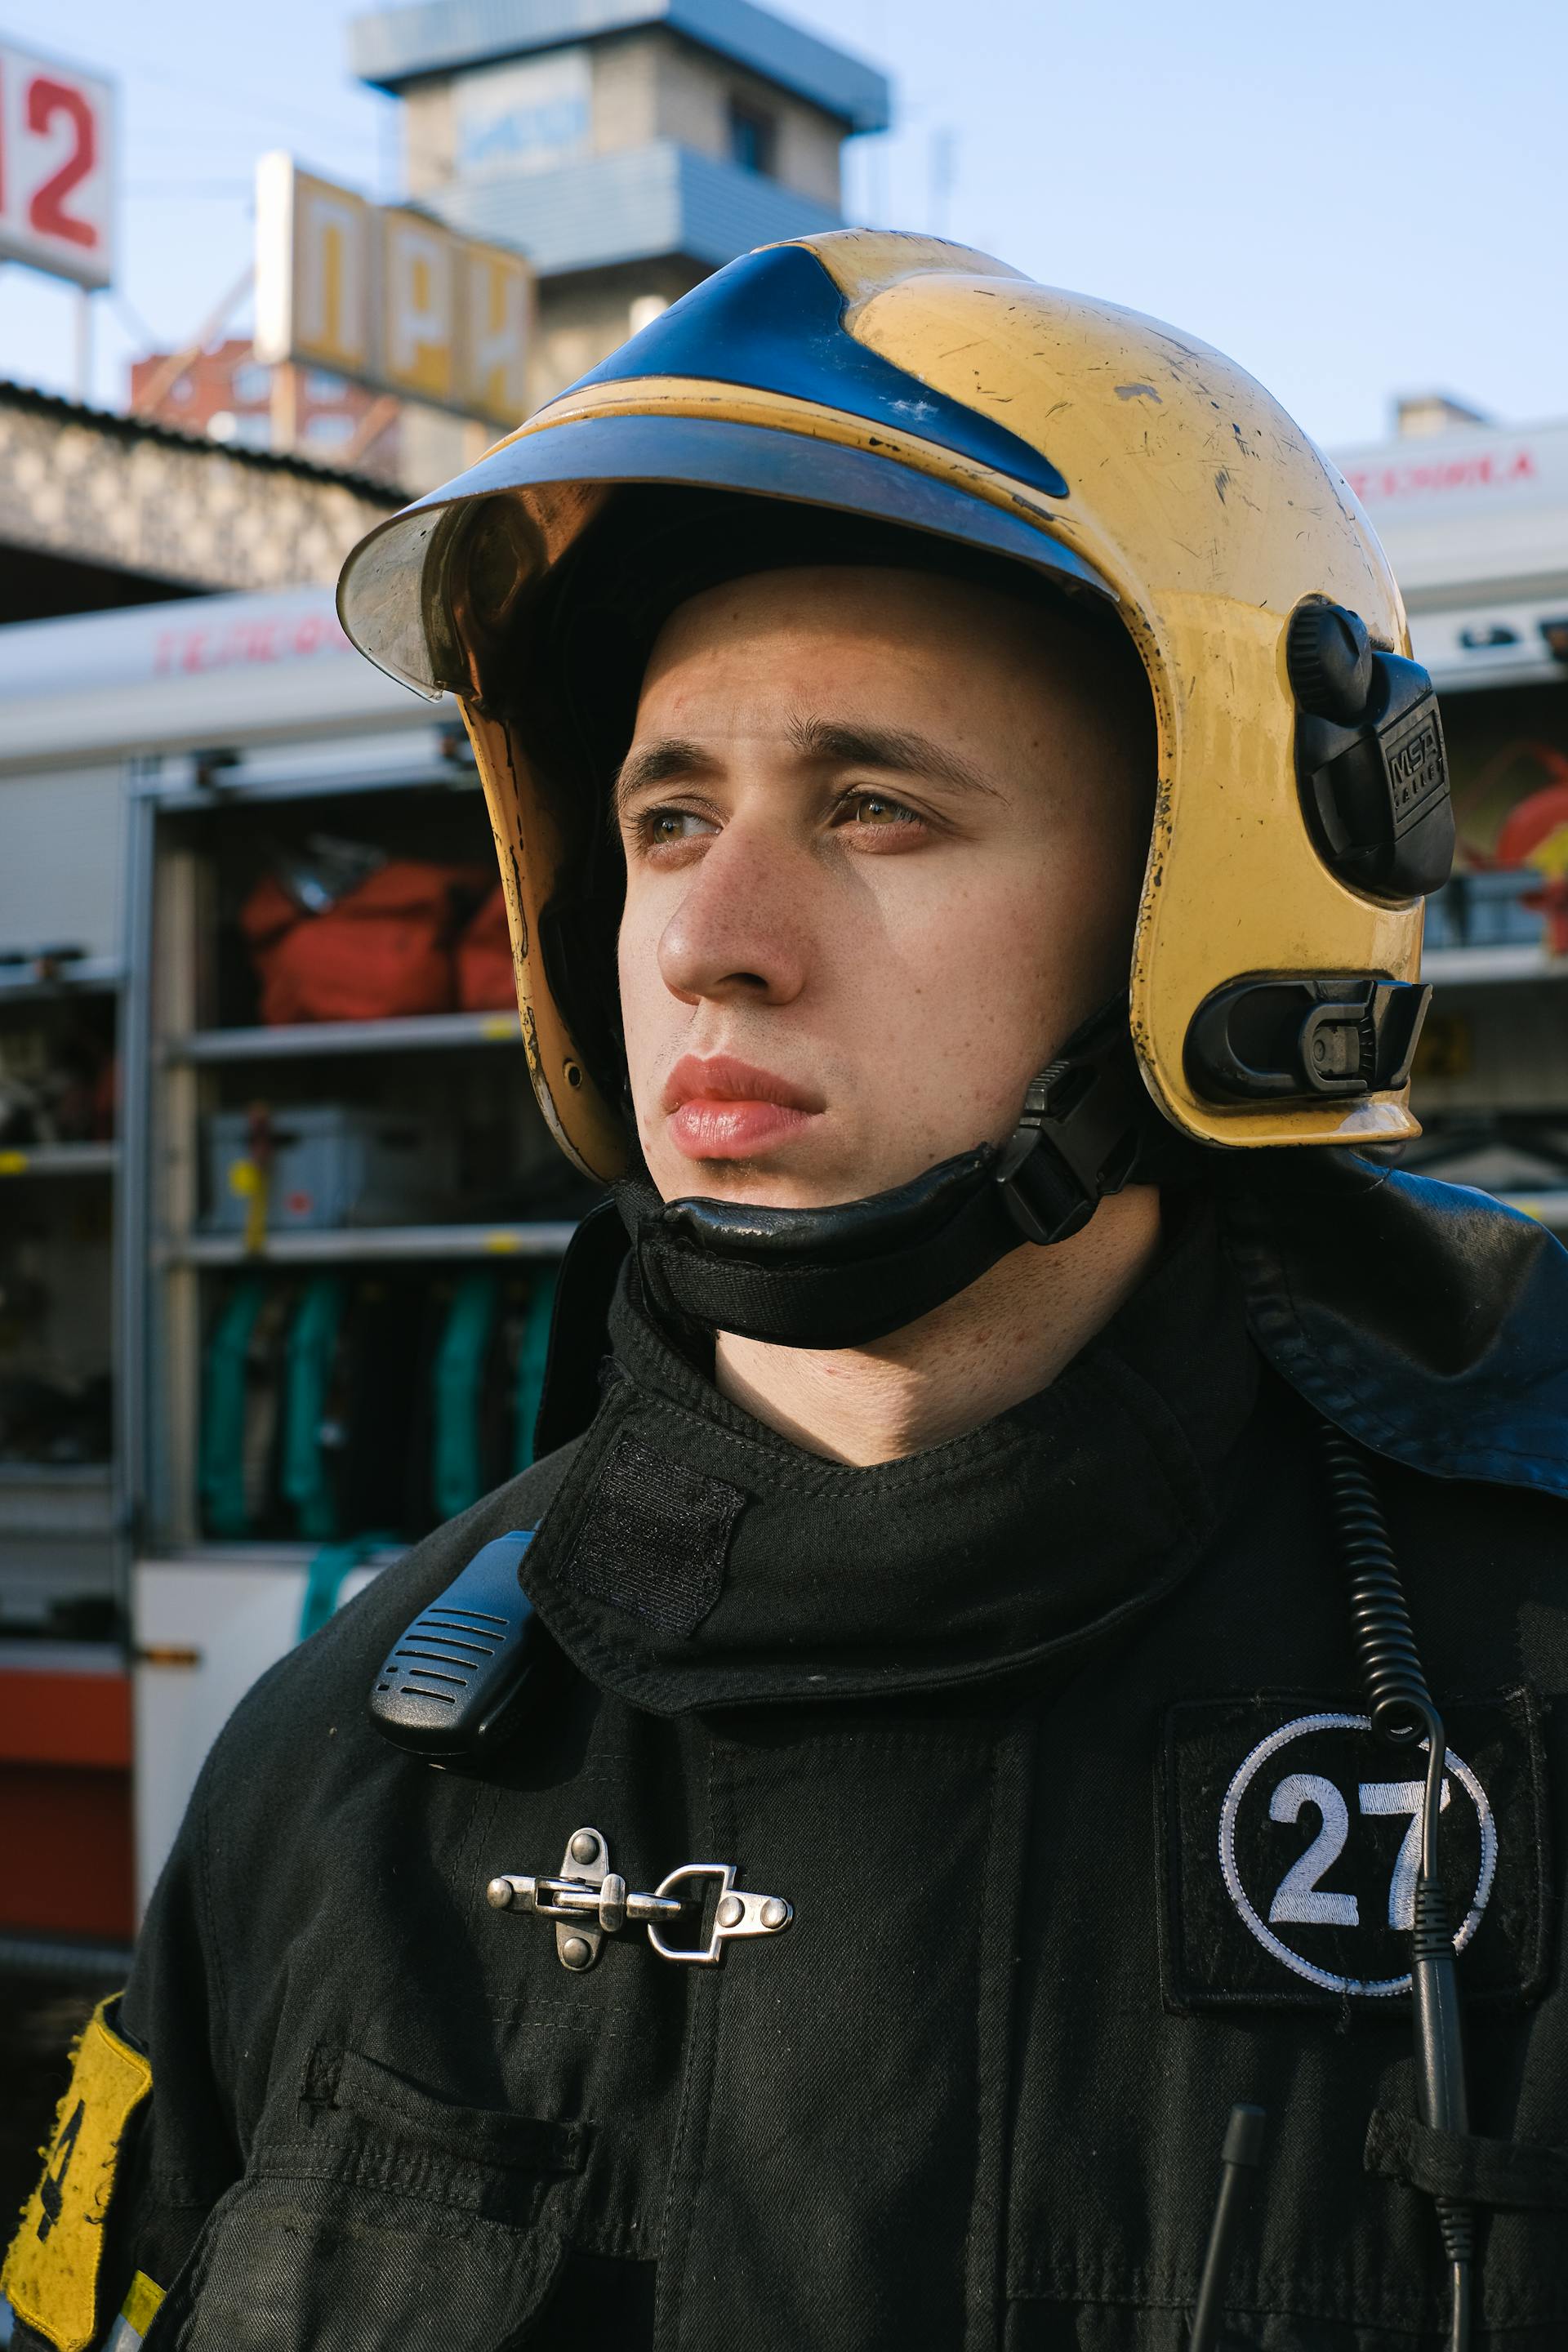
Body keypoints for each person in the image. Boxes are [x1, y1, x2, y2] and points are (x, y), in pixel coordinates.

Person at [8, 230, 1568, 2352]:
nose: (713, 939)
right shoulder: (354, 1773)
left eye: (873, 808)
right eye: (666, 815)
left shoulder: (1523, 1684)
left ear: (1208, 903)